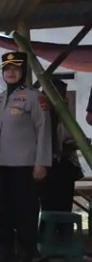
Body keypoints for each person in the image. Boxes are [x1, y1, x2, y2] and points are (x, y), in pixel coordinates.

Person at [0, 51, 52, 262]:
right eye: (7, 69)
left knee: (24, 213)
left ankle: (25, 257)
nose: (11, 72)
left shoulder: (34, 98)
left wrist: (41, 163)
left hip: (24, 166)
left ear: (23, 71)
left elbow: (44, 131)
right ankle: (4, 255)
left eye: (15, 68)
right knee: (2, 213)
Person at [41, 78, 84, 214]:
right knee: (49, 207)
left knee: (64, 209)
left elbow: (71, 139)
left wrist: (77, 143)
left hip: (65, 167)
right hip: (47, 167)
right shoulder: (41, 115)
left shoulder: (66, 116)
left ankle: (64, 231)